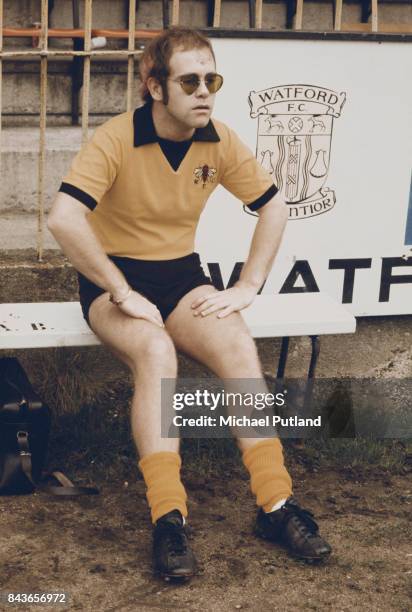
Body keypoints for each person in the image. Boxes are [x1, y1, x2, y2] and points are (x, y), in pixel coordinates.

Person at [48, 26, 331, 582]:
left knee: (235, 341)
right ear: (155, 87)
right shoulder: (115, 138)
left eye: (212, 79)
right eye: (190, 81)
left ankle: (275, 506)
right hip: (114, 281)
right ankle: (168, 517)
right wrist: (122, 290)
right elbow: (62, 218)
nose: (205, 91)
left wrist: (248, 285)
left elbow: (274, 206)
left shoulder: (219, 139)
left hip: (180, 274)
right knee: (157, 355)